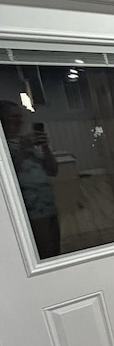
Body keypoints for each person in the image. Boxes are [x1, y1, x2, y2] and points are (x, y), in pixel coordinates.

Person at [0, 100, 60, 259]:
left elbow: (53, 171)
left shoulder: (26, 142)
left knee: (55, 252)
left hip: (48, 206)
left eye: (19, 116)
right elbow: (10, 174)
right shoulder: (3, 145)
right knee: (44, 255)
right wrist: (24, 148)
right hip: (29, 212)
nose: (18, 121)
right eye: (12, 116)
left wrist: (45, 147)